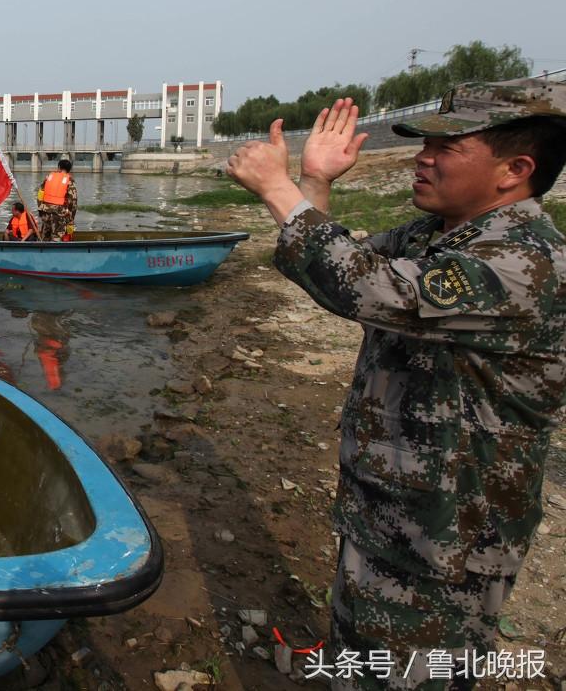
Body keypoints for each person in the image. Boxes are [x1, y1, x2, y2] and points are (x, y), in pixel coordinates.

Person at [226, 79, 566, 689]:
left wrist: (278, 188)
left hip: (448, 534)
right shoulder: (435, 237)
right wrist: (316, 185)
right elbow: (333, 272)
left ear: (515, 169)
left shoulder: (523, 261)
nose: (422, 158)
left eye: (446, 147)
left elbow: (362, 286)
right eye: (423, 144)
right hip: (390, 504)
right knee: (365, 658)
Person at [37, 160, 77, 241]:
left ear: (59, 167)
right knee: (57, 237)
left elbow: (40, 194)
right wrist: (71, 217)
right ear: (69, 169)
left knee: (45, 235)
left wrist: (41, 208)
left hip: (45, 211)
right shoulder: (69, 180)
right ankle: (55, 252)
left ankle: (43, 250)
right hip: (60, 213)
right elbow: (73, 201)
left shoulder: (49, 177)